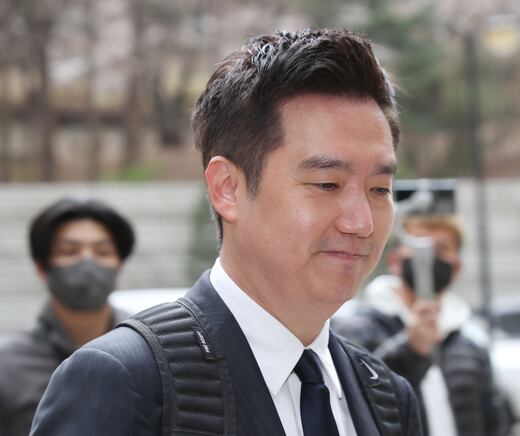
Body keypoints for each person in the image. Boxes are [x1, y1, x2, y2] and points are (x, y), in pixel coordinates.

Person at [30, 28, 423, 436]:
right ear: (227, 189)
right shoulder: (129, 380)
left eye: (380, 189)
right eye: (327, 184)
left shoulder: (387, 397)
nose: (361, 222)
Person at [334, 215, 509, 436]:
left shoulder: (470, 342)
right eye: (419, 246)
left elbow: (495, 421)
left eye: (441, 248)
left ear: (456, 268)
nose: (428, 256)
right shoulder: (357, 330)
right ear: (395, 261)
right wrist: (410, 351)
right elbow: (353, 400)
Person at [0, 197, 135, 436]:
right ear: (41, 267)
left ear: (120, 266)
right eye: (69, 251)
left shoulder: (147, 351)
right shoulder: (7, 365)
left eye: (103, 251)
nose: (87, 262)